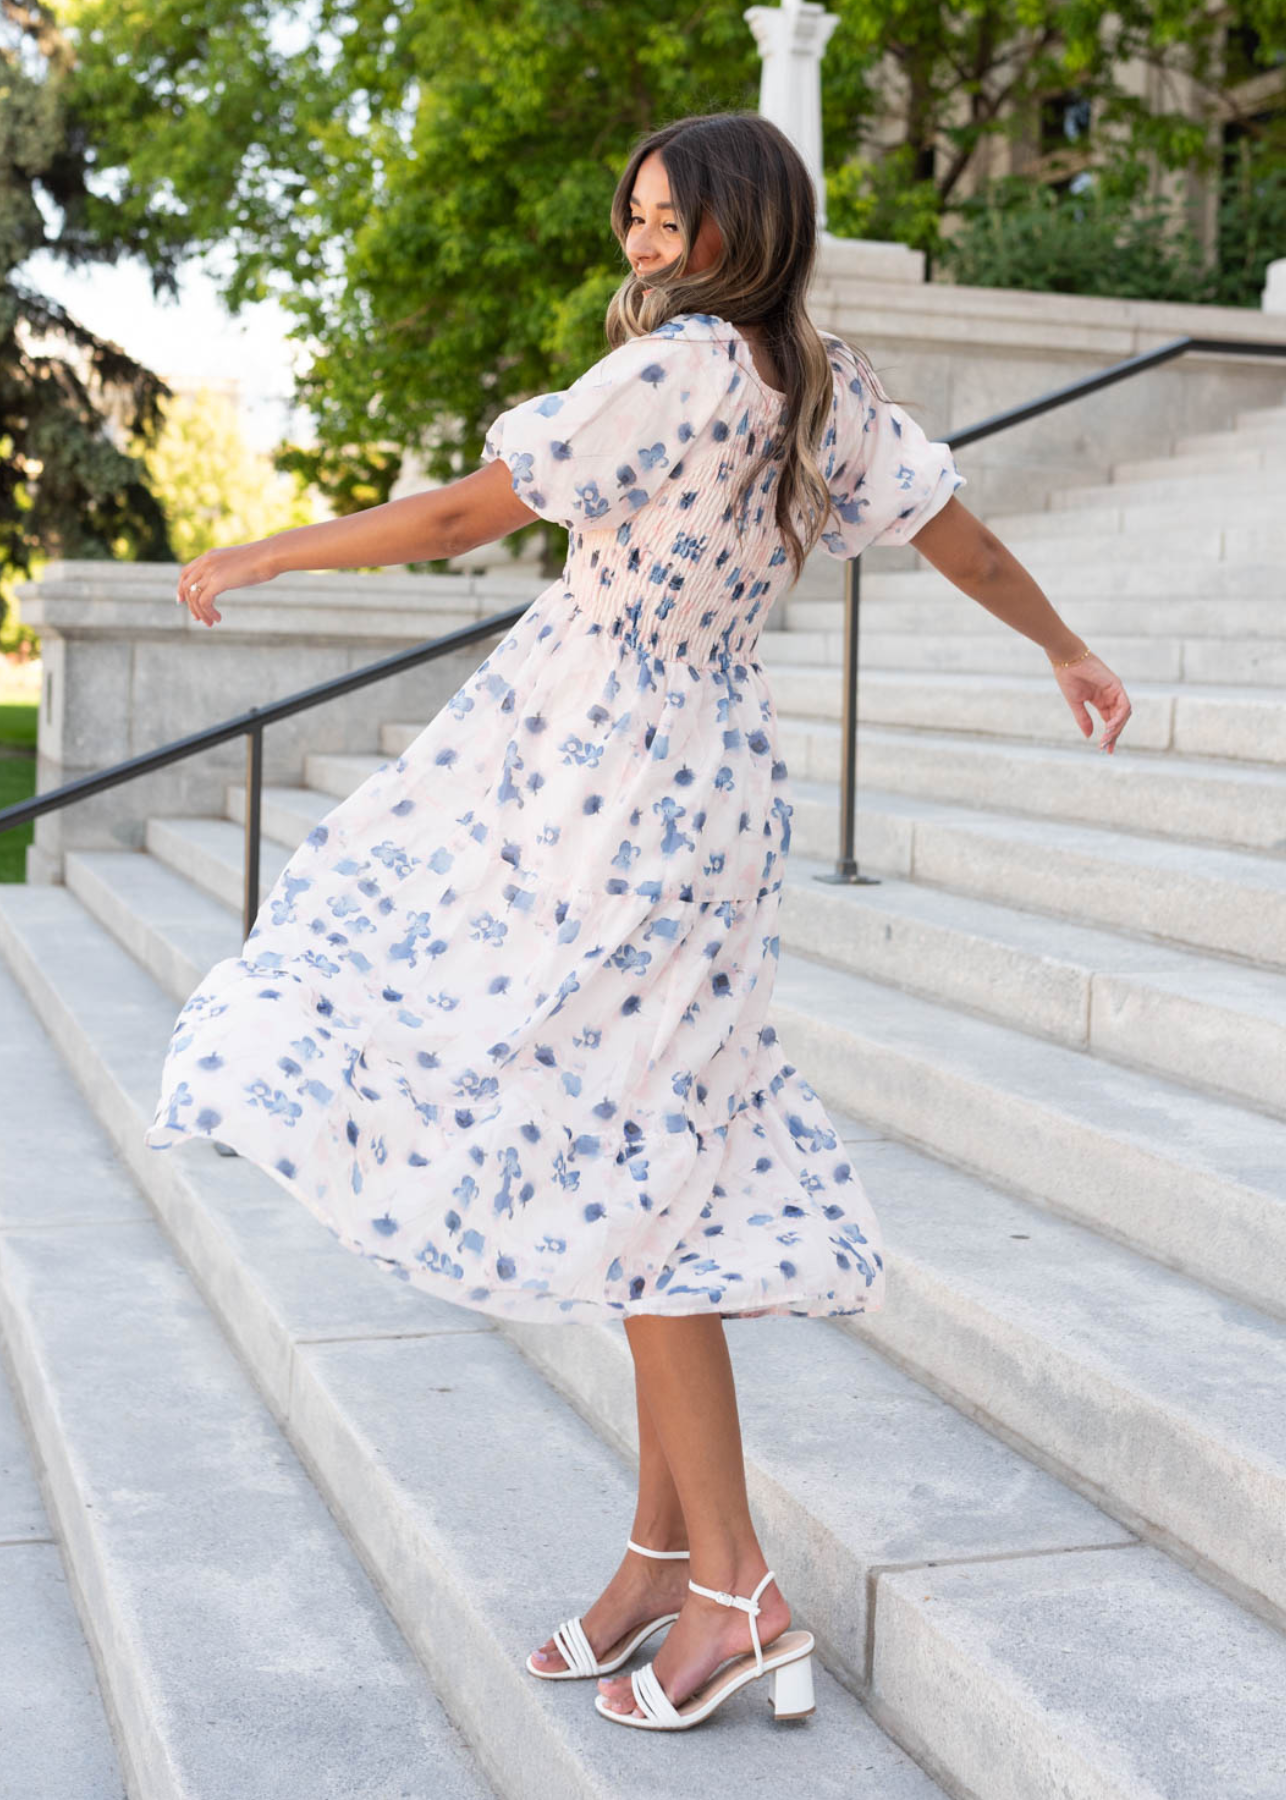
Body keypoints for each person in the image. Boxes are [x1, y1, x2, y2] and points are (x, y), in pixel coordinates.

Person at [146, 110, 1132, 1733]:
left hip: (604, 781)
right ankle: (649, 1568)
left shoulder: (674, 372)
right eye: (635, 217)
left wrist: (265, 550)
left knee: (629, 1164)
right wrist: (1064, 648)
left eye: (670, 222)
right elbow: (954, 532)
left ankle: (735, 1586)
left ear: (739, 228)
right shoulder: (818, 382)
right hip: (705, 778)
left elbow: (474, 515)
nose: (641, 245)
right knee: (650, 1145)